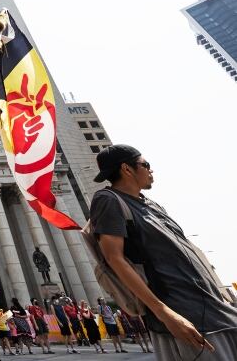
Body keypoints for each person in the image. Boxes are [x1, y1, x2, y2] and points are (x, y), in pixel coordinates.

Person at [91, 144, 237, 360]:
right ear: (127, 169)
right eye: (145, 164)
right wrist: (164, 313)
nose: (151, 170)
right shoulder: (108, 200)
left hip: (215, 311)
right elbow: (115, 259)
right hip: (184, 315)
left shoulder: (151, 204)